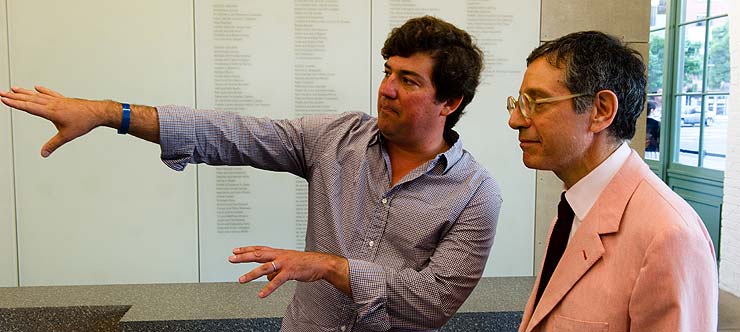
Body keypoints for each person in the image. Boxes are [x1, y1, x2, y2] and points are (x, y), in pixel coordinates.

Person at [0, 16, 502, 332]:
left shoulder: (475, 194)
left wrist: (330, 267)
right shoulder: (337, 138)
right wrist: (112, 112)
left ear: (450, 102)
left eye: (408, 80)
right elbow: (232, 133)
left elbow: (434, 303)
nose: (387, 89)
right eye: (387, 72)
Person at [507, 31, 717, 331]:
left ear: (601, 111)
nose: (515, 119)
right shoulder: (575, 209)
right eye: (519, 103)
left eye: (537, 102)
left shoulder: (670, 235)